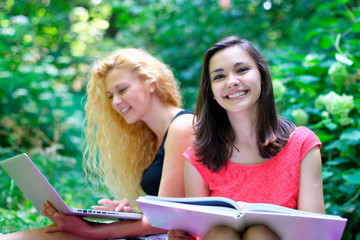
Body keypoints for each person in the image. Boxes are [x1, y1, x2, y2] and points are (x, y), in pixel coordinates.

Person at [1, 48, 194, 240]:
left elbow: (166, 219)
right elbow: (164, 210)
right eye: (110, 96)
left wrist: (91, 230)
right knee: (63, 231)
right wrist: (132, 212)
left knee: (73, 233)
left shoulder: (183, 126)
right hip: (159, 235)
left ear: (151, 83)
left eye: (122, 90)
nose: (116, 102)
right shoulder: (153, 138)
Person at [168, 36, 324, 240]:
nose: (232, 82)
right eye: (219, 77)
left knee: (258, 234)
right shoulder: (199, 157)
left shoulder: (303, 144)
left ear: (262, 75)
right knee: (220, 234)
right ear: (212, 93)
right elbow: (200, 233)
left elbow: (316, 233)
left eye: (241, 70)